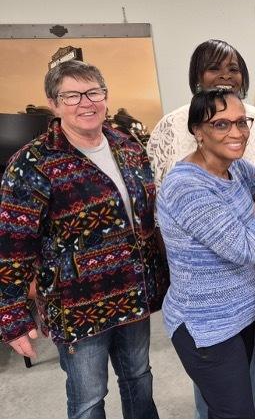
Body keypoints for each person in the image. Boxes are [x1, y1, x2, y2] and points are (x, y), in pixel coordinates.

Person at [0, 60, 169, 418]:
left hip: (132, 295)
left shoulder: (127, 146)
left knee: (139, 378)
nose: (86, 103)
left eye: (93, 92)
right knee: (89, 399)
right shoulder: (32, 163)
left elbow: (146, 219)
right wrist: (12, 315)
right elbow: (13, 245)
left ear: (105, 96)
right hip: (77, 307)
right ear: (54, 104)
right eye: (72, 96)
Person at [146, 38, 255, 419]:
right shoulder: (186, 186)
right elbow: (248, 249)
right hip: (207, 326)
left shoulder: (233, 167)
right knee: (235, 413)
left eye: (241, 122)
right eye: (221, 124)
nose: (237, 132)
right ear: (198, 131)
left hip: (242, 313)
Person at [147, 39, 255, 189]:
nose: (226, 76)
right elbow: (155, 187)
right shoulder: (170, 125)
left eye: (233, 70)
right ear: (197, 76)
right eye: (214, 68)